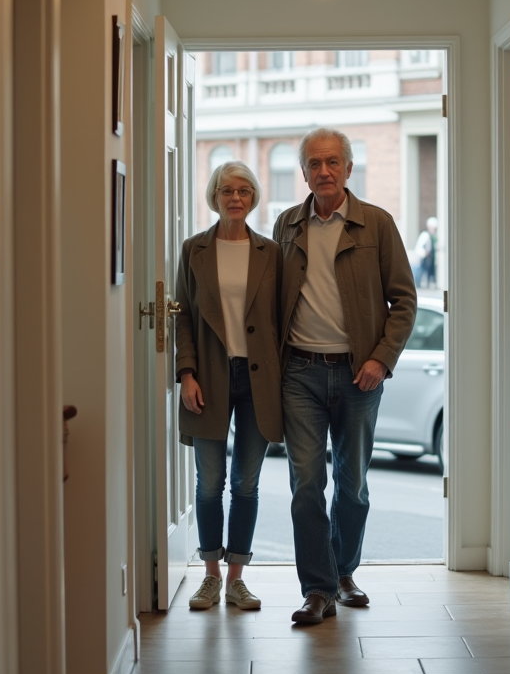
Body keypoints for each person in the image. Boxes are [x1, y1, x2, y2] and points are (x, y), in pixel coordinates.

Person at [273, 127, 417, 625]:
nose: (324, 171)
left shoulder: (376, 224)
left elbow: (405, 300)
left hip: (360, 377)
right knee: (306, 484)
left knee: (351, 484)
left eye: (333, 162)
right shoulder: (287, 225)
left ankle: (342, 573)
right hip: (300, 373)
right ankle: (316, 589)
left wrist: (382, 357)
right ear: (305, 172)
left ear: (349, 169)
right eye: (314, 163)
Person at [174, 160, 284, 612]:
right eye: (225, 191)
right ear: (214, 197)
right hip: (211, 377)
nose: (234, 198)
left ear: (253, 196)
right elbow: (181, 314)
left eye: (242, 190)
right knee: (209, 483)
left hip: (260, 380)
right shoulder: (194, 249)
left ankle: (237, 578)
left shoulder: (271, 252)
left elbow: (282, 317)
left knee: (246, 483)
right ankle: (210, 577)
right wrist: (186, 374)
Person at [412, 217, 438, 289]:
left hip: (431, 260)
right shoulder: (425, 235)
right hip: (424, 260)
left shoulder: (434, 237)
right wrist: (425, 253)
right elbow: (419, 248)